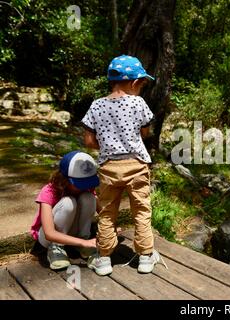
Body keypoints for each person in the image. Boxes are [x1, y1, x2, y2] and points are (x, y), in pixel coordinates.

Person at [81, 54, 166, 276]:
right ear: (135, 82)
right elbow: (145, 132)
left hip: (109, 167)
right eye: (142, 84)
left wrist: (109, 146)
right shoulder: (138, 102)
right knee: (141, 210)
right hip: (137, 165)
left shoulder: (97, 105)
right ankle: (146, 257)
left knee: (107, 212)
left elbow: (89, 141)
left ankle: (104, 260)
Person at [30, 150, 99, 270]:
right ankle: (56, 248)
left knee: (89, 198)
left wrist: (110, 228)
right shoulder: (49, 191)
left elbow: (104, 213)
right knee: (68, 202)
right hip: (49, 238)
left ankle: (83, 240)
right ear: (64, 178)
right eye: (80, 183)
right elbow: (49, 233)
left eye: (87, 182)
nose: (85, 186)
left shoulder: (87, 188)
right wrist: (85, 243)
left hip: (76, 234)